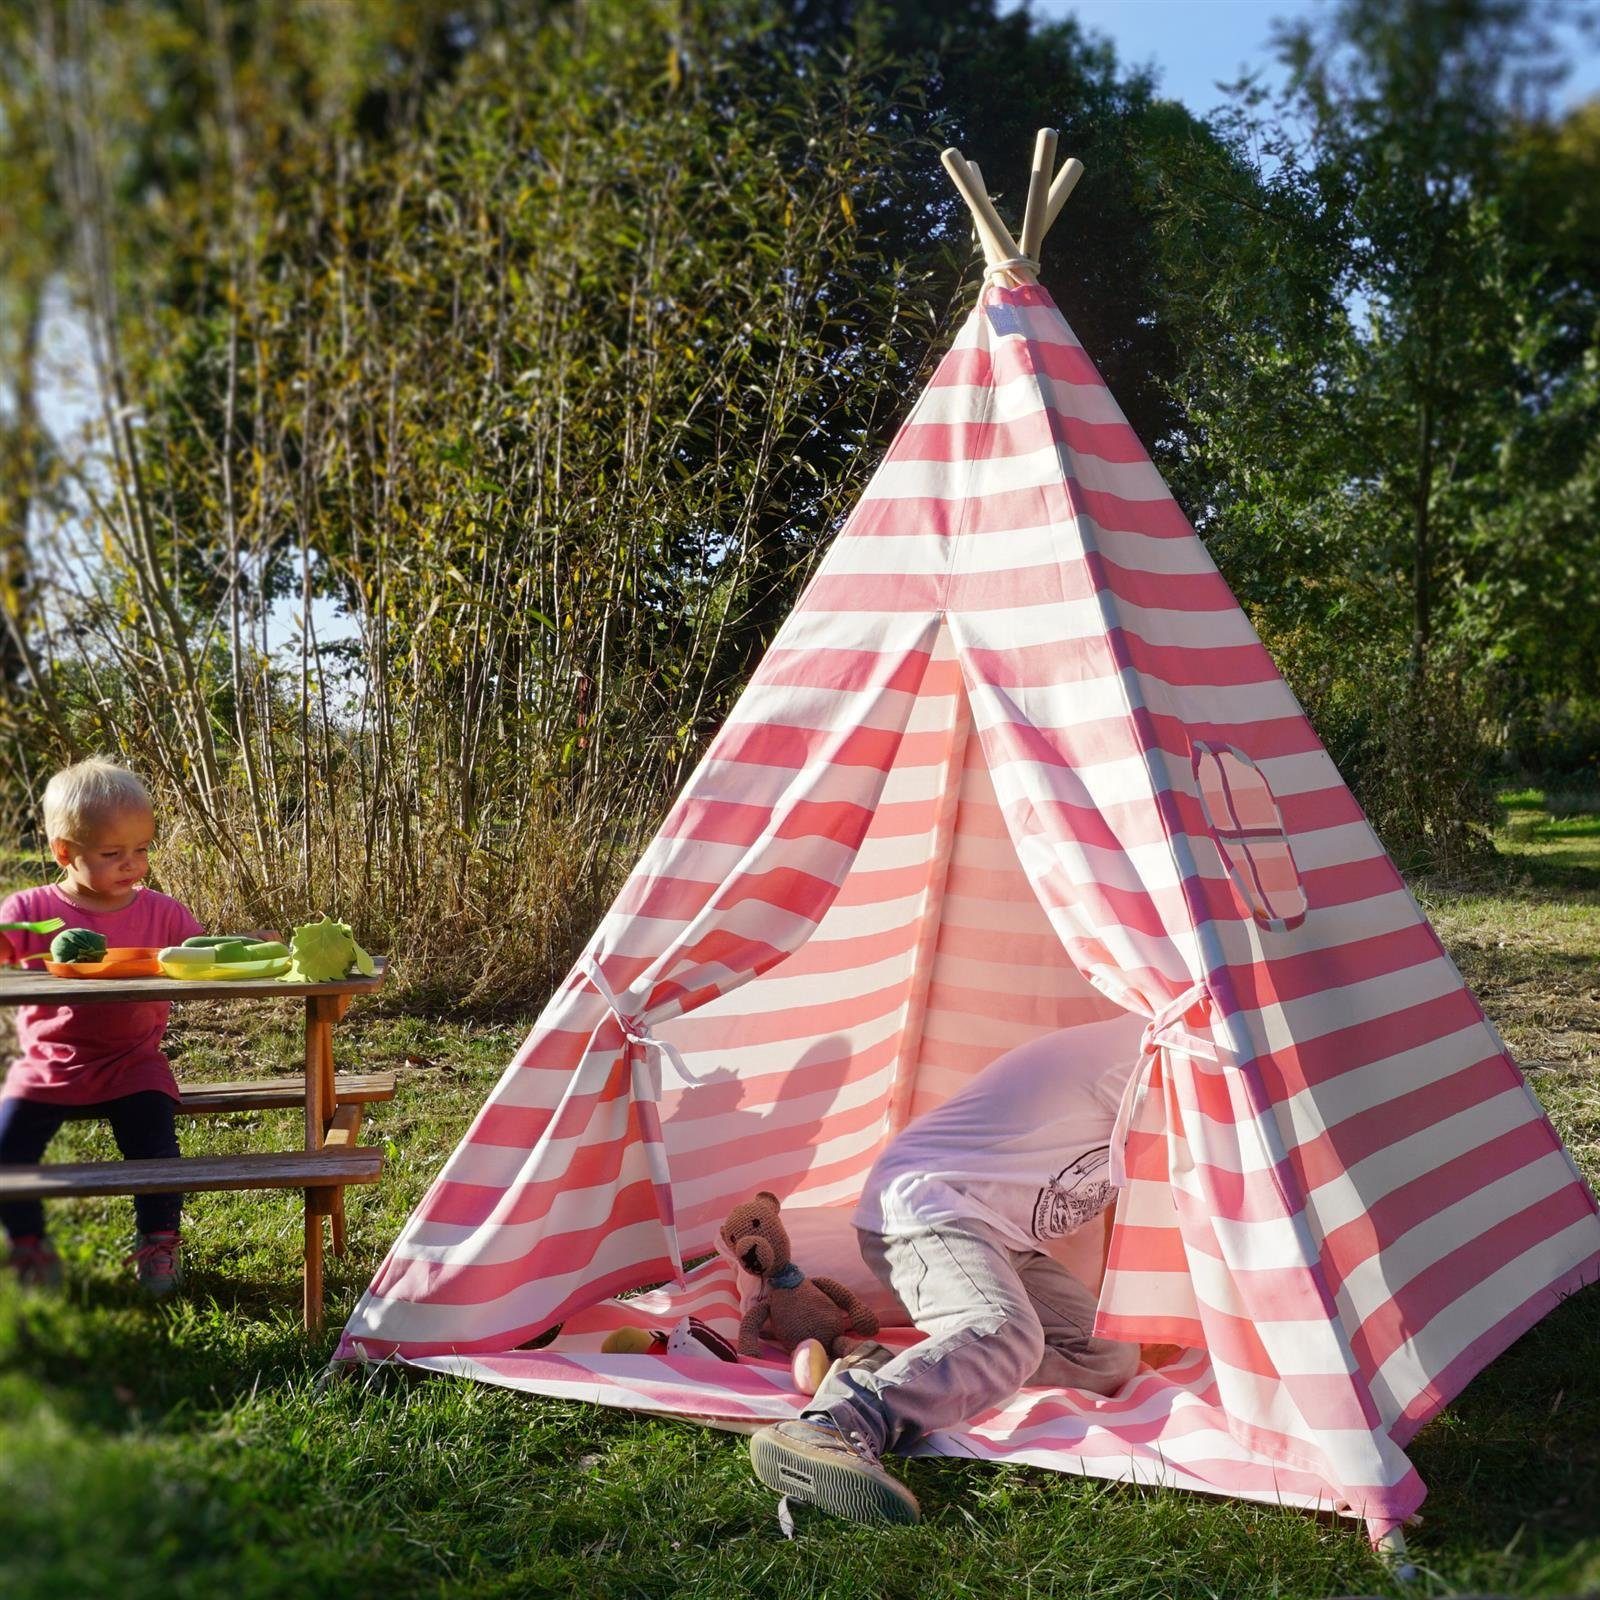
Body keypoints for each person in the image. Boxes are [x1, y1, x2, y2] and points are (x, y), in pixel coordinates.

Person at [748, 1012, 1148, 1526]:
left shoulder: (1183, 1065)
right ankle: (837, 1424)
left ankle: (878, 1366)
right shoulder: (1150, 1056)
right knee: (1005, 1332)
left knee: (1105, 1354)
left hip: (1001, 1236)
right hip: (927, 1205)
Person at [0, 759, 204, 1296]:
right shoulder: (35, 910)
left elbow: (204, 953)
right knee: (7, 1147)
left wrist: (247, 942)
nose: (132, 864)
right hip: (50, 1063)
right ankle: (28, 1246)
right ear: (65, 852)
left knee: (155, 1142)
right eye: (113, 854)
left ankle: (159, 1241)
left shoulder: (162, 914)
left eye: (142, 849)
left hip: (132, 1061)